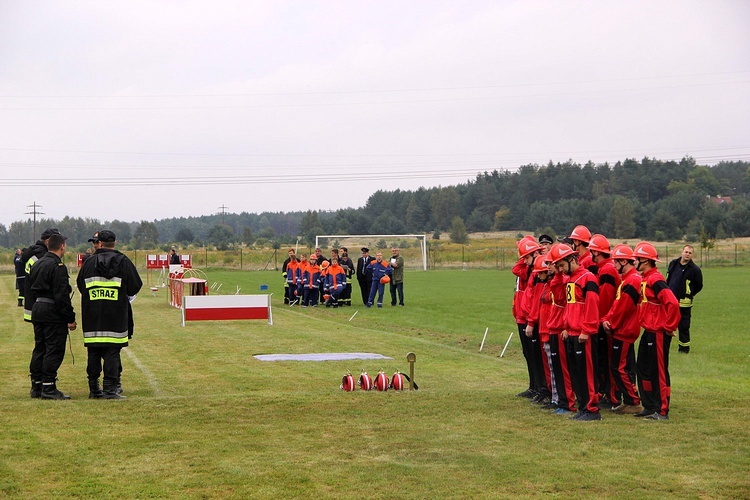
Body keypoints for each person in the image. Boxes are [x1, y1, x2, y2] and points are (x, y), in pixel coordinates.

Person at [77, 230, 143, 400]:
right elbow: (136, 285)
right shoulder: (123, 261)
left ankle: (94, 389)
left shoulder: (89, 262)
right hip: (116, 315)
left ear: (100, 243)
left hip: (92, 315)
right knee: (112, 352)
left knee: (93, 352)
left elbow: (80, 285)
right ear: (115, 242)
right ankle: (110, 389)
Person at [548, 242, 601, 421]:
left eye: (562, 266)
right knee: (577, 374)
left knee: (587, 374)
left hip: (582, 334)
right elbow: (563, 301)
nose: (561, 270)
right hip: (571, 333)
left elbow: (592, 306)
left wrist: (586, 330)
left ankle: (592, 409)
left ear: (571, 259)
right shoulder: (570, 279)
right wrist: (565, 327)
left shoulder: (588, 278)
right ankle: (583, 407)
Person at [632, 242, 680, 420]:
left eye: (636, 259)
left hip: (658, 332)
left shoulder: (655, 279)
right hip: (649, 330)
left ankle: (662, 409)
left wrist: (668, 327)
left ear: (644, 260)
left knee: (658, 370)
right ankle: (650, 405)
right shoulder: (646, 279)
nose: (634, 262)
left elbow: (672, 303)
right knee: (643, 368)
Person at [27, 233, 77, 400]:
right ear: (62, 246)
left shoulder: (38, 263)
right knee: (54, 348)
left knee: (40, 347)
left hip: (37, 308)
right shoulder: (58, 266)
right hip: (51, 311)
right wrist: (70, 317)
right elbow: (61, 295)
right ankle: (48, 387)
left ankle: (37, 385)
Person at [602, 244, 643, 415]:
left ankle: (633, 401)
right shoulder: (628, 279)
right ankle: (629, 400)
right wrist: (607, 319)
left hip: (625, 331)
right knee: (619, 367)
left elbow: (623, 308)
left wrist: (610, 323)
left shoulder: (632, 280)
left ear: (624, 261)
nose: (614, 265)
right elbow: (617, 304)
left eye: (616, 262)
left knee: (619, 368)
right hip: (622, 329)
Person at [588, 234, 621, 409]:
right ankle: (609, 394)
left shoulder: (607, 270)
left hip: (605, 324)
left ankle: (613, 397)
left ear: (596, 252)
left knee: (608, 361)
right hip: (605, 321)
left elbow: (606, 299)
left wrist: (600, 320)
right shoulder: (604, 268)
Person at [511, 235, 542, 399]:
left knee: (534, 354)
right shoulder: (527, 268)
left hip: (529, 316)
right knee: (528, 353)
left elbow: (516, 269)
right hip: (522, 315)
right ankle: (534, 386)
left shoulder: (532, 271)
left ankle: (539, 387)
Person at [666, 245, 704, 354]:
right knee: (667, 324)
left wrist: (689, 293)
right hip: (670, 300)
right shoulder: (673, 264)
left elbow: (699, 285)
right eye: (686, 252)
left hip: (684, 303)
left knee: (683, 326)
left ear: (692, 255)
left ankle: (684, 349)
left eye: (690, 253)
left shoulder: (695, 270)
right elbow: (668, 278)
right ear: (682, 252)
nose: (687, 254)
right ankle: (665, 345)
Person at [21, 228, 61, 322]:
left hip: (34, 302)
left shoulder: (35, 252)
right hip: (42, 304)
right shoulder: (43, 256)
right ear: (47, 241)